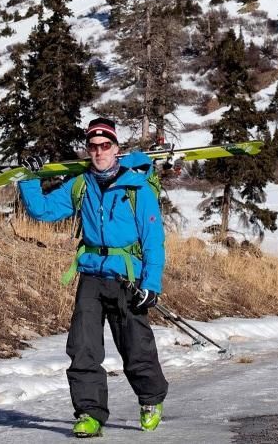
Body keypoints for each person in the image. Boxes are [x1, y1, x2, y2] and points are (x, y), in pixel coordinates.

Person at [18, 117, 168, 438]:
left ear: (116, 148)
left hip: (127, 277)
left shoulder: (137, 188)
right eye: (93, 146)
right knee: (82, 347)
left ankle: (151, 400)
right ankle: (89, 412)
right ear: (88, 150)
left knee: (135, 346)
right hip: (90, 275)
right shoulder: (81, 184)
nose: (99, 152)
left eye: (105, 146)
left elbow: (153, 239)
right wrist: (30, 179)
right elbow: (43, 210)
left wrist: (151, 283)